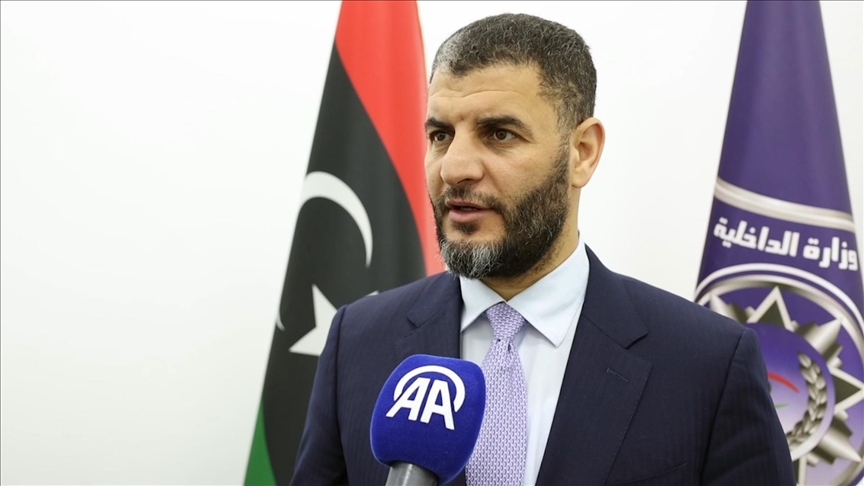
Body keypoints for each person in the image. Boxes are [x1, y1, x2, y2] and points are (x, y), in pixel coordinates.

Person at [291, 13, 794, 486]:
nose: (454, 168)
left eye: (499, 134)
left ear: (582, 153)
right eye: (441, 135)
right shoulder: (358, 341)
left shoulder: (707, 364)